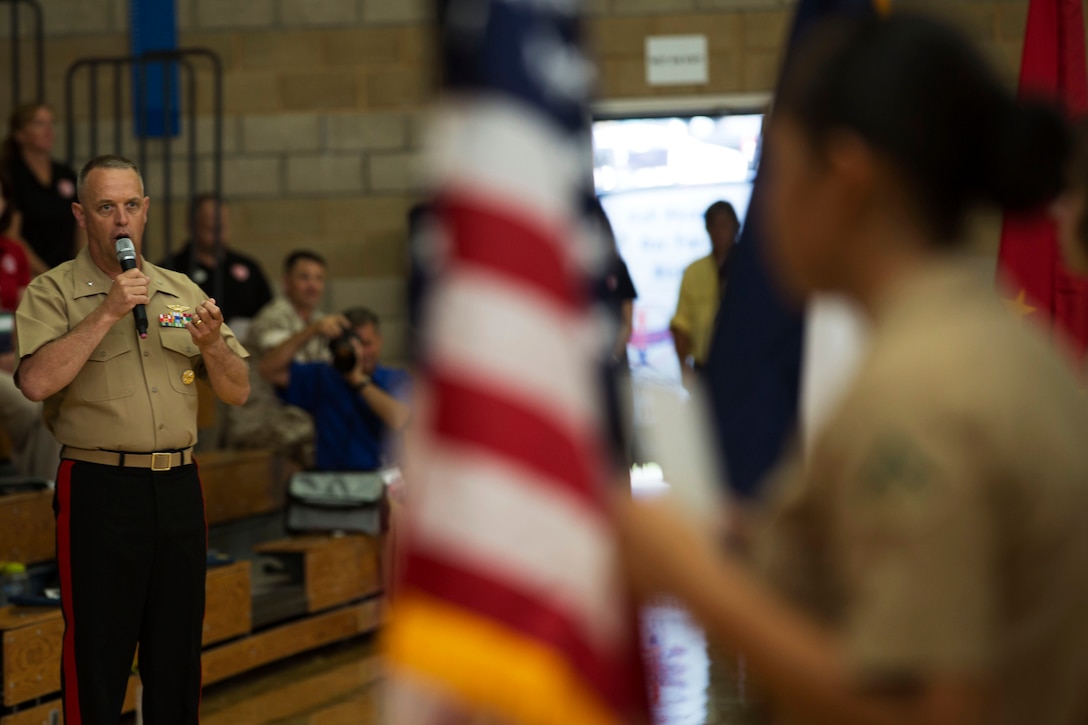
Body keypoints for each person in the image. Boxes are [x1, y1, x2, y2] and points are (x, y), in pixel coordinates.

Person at [616, 15, 1088, 725]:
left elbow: (927, 708)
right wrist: (746, 544)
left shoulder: (920, 392)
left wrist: (696, 582)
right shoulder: (1003, 347)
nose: (764, 204)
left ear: (845, 179)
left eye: (774, 170)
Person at [14, 154, 250, 723]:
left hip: (177, 486)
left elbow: (238, 389)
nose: (121, 220)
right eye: (105, 207)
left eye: (130, 206)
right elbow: (35, 381)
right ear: (81, 215)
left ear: (144, 211)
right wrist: (107, 312)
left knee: (176, 654)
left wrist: (215, 345)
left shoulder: (179, 289)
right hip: (99, 488)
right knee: (98, 653)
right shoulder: (53, 292)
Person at [260, 306, 410, 472]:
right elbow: (269, 370)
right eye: (354, 346)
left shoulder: (395, 379)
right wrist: (312, 329)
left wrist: (358, 380)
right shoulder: (324, 376)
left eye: (366, 344)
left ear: (379, 341)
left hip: (378, 480)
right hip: (330, 483)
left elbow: (401, 419)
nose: (360, 352)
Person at [226, 250, 333, 466]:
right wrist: (311, 331)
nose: (312, 285)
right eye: (304, 277)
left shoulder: (320, 321)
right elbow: (273, 370)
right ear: (286, 282)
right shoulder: (273, 316)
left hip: (297, 414)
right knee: (328, 433)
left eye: (318, 278)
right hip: (264, 418)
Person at [161, 193, 273, 326]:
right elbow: (163, 318)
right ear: (192, 225)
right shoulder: (170, 270)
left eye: (223, 220)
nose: (218, 224)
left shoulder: (248, 267)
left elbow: (268, 316)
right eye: (210, 220)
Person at [1, 103, 81, 274]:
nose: (48, 130)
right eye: (39, 124)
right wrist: (47, 275)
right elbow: (12, 234)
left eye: (51, 123)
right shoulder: (11, 175)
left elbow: (82, 224)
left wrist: (79, 266)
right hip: (30, 273)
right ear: (19, 134)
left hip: (69, 270)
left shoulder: (64, 174)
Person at [670, 200, 739, 374]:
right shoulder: (694, 271)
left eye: (724, 225)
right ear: (707, 229)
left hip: (745, 366)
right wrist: (684, 368)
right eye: (714, 226)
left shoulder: (752, 269)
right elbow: (681, 324)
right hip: (705, 367)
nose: (719, 232)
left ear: (736, 227)